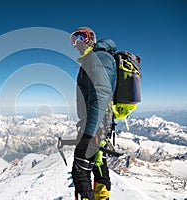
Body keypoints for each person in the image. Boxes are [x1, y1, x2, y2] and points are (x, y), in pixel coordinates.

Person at [70, 27, 117, 200]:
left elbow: (101, 92)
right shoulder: (95, 59)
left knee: (80, 172)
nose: (76, 43)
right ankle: (102, 197)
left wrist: (88, 134)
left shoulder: (99, 58)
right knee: (98, 165)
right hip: (99, 125)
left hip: (94, 126)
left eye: (81, 37)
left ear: (91, 39)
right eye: (73, 39)